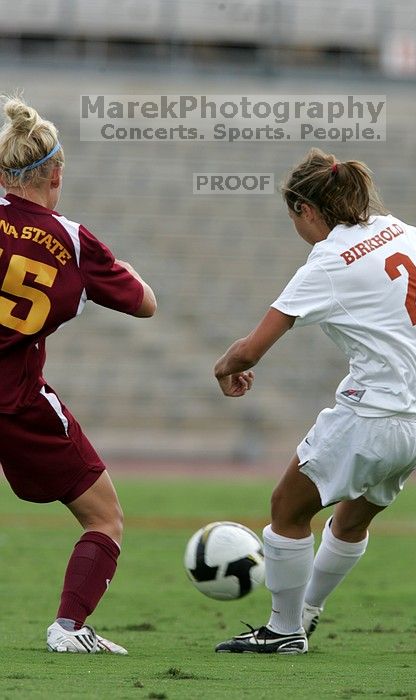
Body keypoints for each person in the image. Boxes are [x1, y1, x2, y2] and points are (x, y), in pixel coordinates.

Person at [213, 147, 416, 655]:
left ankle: (284, 629)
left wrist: (226, 368)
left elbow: (253, 348)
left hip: (374, 414)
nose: (297, 229)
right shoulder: (404, 232)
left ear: (306, 210)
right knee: (351, 520)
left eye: (293, 219)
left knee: (286, 507)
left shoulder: (328, 260)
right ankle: (304, 612)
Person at [0, 96, 156, 654]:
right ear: (57, 174)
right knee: (104, 518)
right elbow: (144, 303)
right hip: (15, 400)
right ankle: (68, 629)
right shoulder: (71, 239)